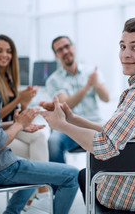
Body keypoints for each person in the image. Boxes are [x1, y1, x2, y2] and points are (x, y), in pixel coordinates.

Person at [40, 17, 135, 213]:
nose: (125, 54)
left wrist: (62, 125)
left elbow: (104, 145)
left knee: (84, 174)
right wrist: (73, 119)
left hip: (131, 197)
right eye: (122, 46)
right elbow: (118, 131)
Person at [0, 20, 79, 214]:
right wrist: (19, 124)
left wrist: (19, 123)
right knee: (72, 176)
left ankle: (16, 210)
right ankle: (43, 196)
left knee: (35, 156)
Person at [0, 34, 50, 206]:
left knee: (40, 137)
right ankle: (39, 194)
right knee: (31, 152)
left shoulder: (9, 77)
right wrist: (17, 99)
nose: (4, 55)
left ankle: (32, 197)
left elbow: (15, 111)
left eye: (8, 51)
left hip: (12, 126)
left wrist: (25, 101)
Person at [45, 35, 110, 163]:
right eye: (60, 50)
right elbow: (66, 104)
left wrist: (96, 84)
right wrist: (86, 87)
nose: (65, 51)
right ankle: (63, 181)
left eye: (67, 47)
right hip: (69, 129)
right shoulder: (53, 80)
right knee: (53, 142)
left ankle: (103, 181)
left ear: (73, 48)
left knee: (114, 138)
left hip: (93, 124)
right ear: (56, 55)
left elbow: (106, 98)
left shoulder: (91, 71)